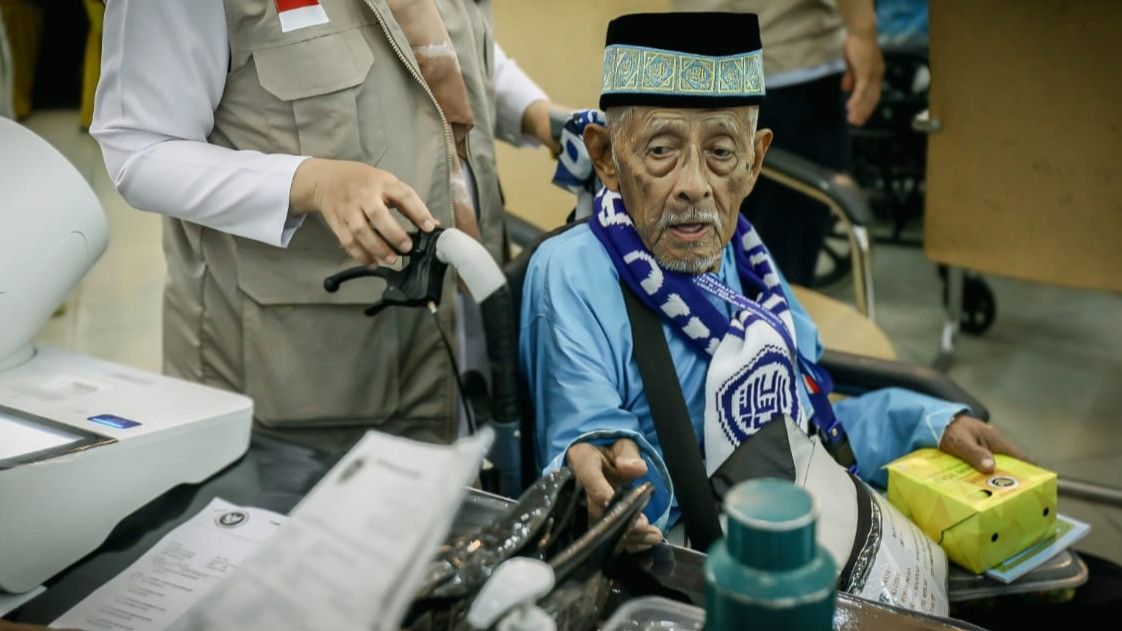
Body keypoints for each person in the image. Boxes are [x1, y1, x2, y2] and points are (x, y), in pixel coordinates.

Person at [519, 10, 1026, 554]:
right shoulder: (572, 273)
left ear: (754, 160)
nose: (695, 186)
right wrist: (604, 473)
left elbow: (806, 424)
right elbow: (588, 432)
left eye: (721, 152)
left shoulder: (744, 253)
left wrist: (927, 424)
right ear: (606, 156)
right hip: (687, 564)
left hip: (797, 520)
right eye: (661, 150)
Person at [90, 0, 567, 449]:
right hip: (303, 376)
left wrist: (538, 115)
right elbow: (139, 148)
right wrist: (309, 182)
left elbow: (440, 36)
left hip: (464, 324)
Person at [670, 0, 885, 287]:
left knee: (710, 268)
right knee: (777, 274)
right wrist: (862, 33)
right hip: (787, 64)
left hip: (696, 66)